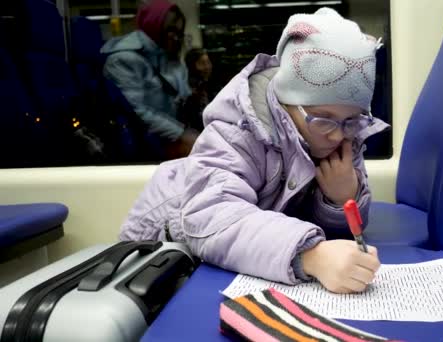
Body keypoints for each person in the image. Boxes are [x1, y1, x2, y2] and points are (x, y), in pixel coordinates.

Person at [120, 8, 388, 294]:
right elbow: (209, 214)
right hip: (158, 252)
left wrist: (341, 199)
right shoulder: (238, 129)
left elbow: (341, 234)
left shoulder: (346, 132)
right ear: (287, 103)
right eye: (323, 119)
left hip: (236, 252)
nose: (337, 134)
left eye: (352, 120)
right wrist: (312, 255)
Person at [101, 0, 199, 160]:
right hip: (145, 141)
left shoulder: (166, 57)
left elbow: (181, 96)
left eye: (179, 33)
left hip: (170, 133)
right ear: (155, 25)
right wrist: (180, 135)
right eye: (171, 30)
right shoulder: (123, 59)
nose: (176, 38)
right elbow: (137, 112)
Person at [180, 48, 214, 131]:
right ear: (192, 66)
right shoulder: (187, 92)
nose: (207, 67)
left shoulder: (210, 87)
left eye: (208, 62)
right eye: (202, 63)